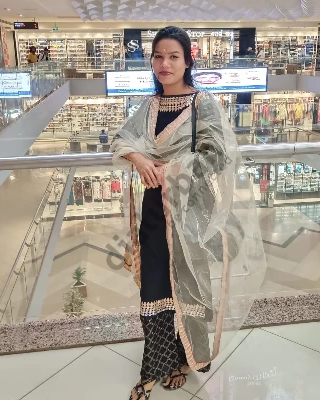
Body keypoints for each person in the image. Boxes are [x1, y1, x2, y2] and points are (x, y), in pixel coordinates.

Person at [110, 26, 266, 400]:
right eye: (158, 56)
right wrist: (139, 158)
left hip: (190, 210)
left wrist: (172, 169)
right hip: (153, 210)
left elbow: (219, 156)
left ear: (187, 61)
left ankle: (184, 360)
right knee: (154, 288)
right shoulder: (149, 105)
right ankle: (153, 368)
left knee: (188, 283)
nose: (164, 63)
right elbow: (122, 139)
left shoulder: (202, 103)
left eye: (173, 56)